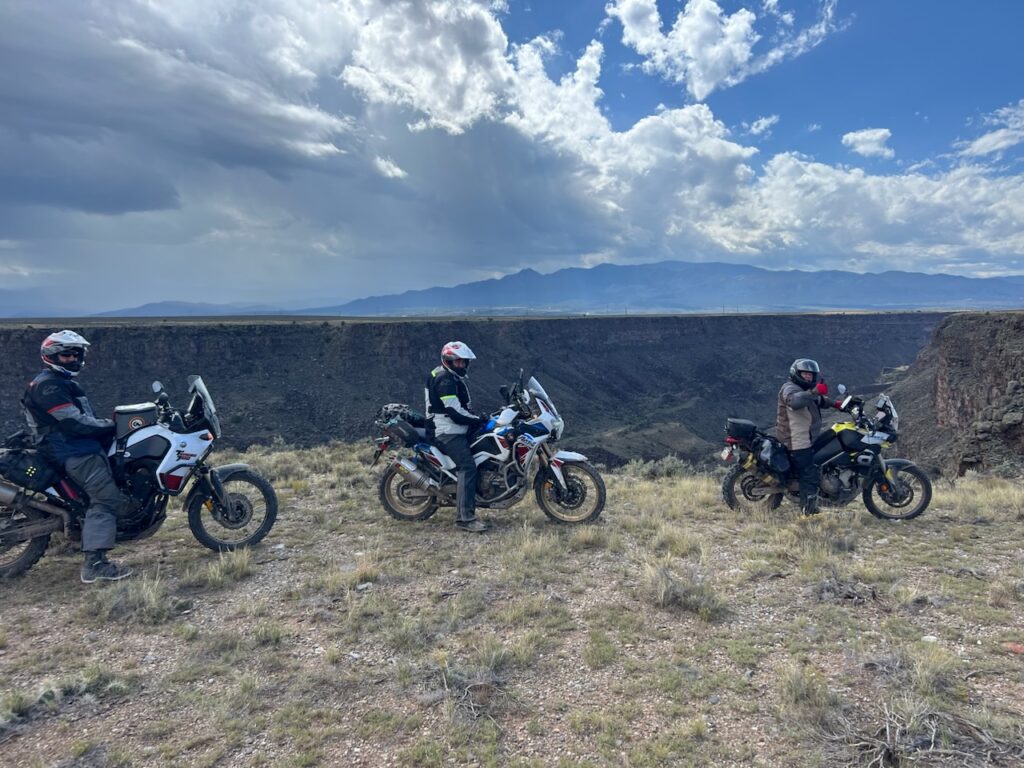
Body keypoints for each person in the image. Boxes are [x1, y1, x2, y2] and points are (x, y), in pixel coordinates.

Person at [22, 330, 134, 583]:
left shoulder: (60, 382)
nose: (73, 359)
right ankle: (95, 564)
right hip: (72, 450)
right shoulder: (49, 385)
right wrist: (112, 426)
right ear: (51, 356)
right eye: (66, 355)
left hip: (76, 447)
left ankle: (84, 536)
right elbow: (74, 423)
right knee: (105, 499)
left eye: (76, 354)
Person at [425, 341, 488, 532]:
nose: (461, 365)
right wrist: (478, 420)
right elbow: (454, 412)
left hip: (455, 428)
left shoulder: (451, 377)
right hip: (445, 432)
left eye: (464, 362)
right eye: (458, 362)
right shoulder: (445, 380)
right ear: (448, 361)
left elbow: (462, 409)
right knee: (467, 466)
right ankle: (464, 519)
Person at [776, 358, 833, 516]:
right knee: (809, 473)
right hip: (795, 440)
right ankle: (808, 509)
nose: (808, 377)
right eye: (805, 374)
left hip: (805, 438)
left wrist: (839, 404)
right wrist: (815, 391)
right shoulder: (789, 388)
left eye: (811, 375)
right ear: (796, 373)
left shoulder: (804, 389)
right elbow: (795, 401)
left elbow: (819, 400)